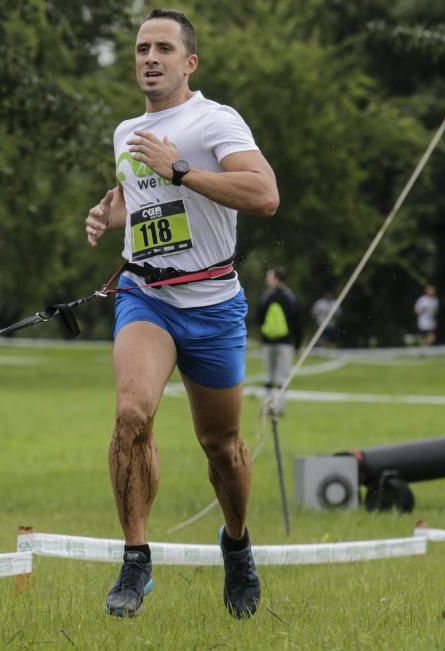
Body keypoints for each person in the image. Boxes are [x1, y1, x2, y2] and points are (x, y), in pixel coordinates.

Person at [83, 9, 279, 619]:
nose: (149, 57)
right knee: (131, 412)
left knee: (222, 447)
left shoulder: (214, 120)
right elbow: (147, 198)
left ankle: (237, 545)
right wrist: (112, 213)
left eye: (163, 48)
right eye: (142, 47)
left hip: (215, 303)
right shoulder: (124, 131)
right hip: (146, 297)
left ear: (188, 62)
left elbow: (264, 195)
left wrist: (182, 168)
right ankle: (136, 560)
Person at [255, 267, 301, 416]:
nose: (267, 280)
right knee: (283, 377)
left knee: (269, 376)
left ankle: (268, 405)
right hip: (285, 343)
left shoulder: (266, 297)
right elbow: (297, 322)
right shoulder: (290, 297)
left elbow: (259, 318)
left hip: (268, 342)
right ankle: (279, 407)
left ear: (276, 278)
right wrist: (298, 344)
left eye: (269, 277)